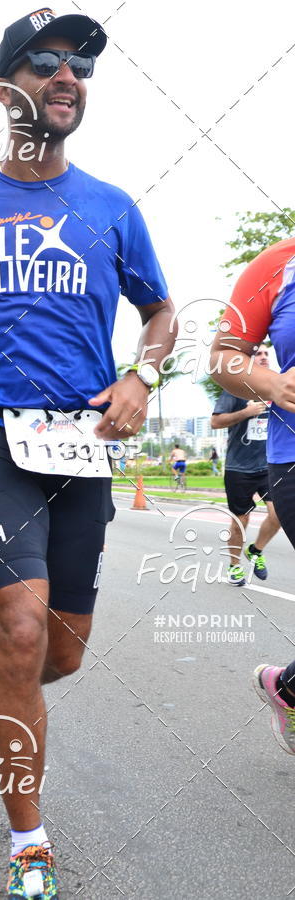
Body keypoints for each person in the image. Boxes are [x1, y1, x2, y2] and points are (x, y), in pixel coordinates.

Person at [0, 10, 176, 897]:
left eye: (81, 66)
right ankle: (31, 846)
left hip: (80, 445)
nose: (67, 76)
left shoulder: (113, 208)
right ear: (4, 87)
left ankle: (3, 679)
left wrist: (143, 377)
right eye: (46, 61)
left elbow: (162, 314)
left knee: (59, 654)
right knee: (18, 631)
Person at [210, 237, 295, 754]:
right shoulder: (277, 264)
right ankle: (239, 561)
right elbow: (222, 359)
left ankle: (286, 687)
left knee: (264, 518)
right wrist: (270, 386)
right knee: (239, 517)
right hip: (282, 458)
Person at [211, 345, 281, 585]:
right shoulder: (236, 388)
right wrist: (247, 412)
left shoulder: (277, 387)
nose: (263, 357)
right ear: (249, 361)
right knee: (241, 519)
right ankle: (234, 566)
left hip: (269, 465)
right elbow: (215, 421)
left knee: (279, 513)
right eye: (258, 354)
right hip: (238, 467)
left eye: (266, 354)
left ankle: (256, 550)